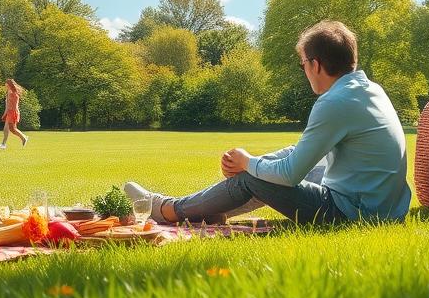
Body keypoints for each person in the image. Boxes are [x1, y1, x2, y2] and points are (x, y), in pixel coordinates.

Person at [125, 21, 411, 226]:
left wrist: (248, 163)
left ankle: (169, 209)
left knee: (255, 176)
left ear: (315, 64)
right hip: (382, 208)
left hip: (355, 214)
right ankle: (203, 210)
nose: (304, 72)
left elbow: (288, 175)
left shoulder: (335, 103)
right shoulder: (368, 90)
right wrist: (255, 161)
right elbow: (302, 155)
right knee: (281, 163)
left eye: (302, 64)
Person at [0, 78, 28, 149]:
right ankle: (23, 137)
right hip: (10, 112)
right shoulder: (8, 92)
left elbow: (14, 104)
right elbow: (7, 104)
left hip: (13, 112)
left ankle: (4, 144)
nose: (5, 84)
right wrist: (5, 113)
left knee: (10, 129)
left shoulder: (14, 93)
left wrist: (12, 112)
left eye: (6, 83)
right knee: (11, 129)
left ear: (9, 84)